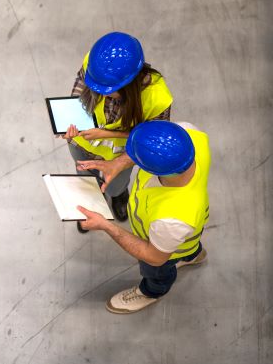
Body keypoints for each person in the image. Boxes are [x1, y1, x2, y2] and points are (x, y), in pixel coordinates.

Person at [76, 121, 210, 314]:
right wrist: (117, 164)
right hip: (185, 233)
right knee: (186, 245)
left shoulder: (172, 220)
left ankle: (151, 292)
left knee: (157, 271)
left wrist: (106, 226)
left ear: (157, 171)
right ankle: (193, 254)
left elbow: (154, 257)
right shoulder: (191, 133)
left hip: (162, 246)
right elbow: (154, 144)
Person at [64, 32, 173, 232]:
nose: (100, 92)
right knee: (85, 176)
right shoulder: (95, 64)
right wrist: (68, 122)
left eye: (107, 89)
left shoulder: (157, 98)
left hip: (119, 157)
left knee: (115, 185)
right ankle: (92, 201)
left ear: (128, 84)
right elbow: (80, 88)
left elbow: (150, 143)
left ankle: (119, 195)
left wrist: (106, 136)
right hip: (81, 144)